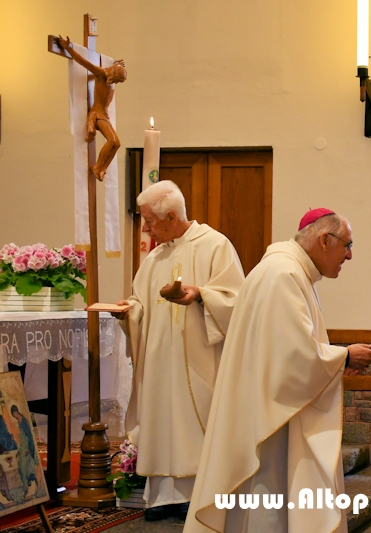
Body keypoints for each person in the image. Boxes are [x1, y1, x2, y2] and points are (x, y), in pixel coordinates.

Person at [185, 209, 371, 533]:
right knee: (266, 506)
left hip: (269, 412)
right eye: (347, 245)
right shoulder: (283, 274)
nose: (350, 254)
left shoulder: (288, 270)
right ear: (324, 240)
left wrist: (334, 364)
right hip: (268, 425)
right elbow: (293, 357)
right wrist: (343, 357)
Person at [113, 180, 245, 520]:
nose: (145, 228)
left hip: (200, 360)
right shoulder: (155, 256)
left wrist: (200, 295)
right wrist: (129, 311)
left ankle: (198, 497)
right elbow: (141, 301)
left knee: (195, 423)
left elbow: (238, 301)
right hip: (159, 362)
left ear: (171, 216)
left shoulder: (216, 246)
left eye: (149, 220)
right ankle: (161, 498)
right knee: (161, 421)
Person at [56, 36, 127, 181]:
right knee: (112, 141)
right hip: (98, 114)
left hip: (104, 115)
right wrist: (69, 48)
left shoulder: (110, 75)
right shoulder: (101, 74)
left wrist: (118, 65)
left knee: (117, 143)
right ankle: (97, 166)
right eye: (117, 80)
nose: (116, 84)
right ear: (113, 75)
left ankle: (102, 168)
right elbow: (84, 62)